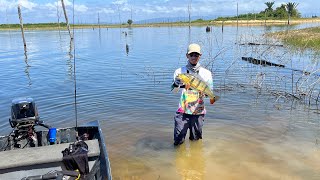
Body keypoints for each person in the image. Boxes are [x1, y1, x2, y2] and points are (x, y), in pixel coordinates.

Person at [171, 43, 214, 146]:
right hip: (182, 111)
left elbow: (210, 91)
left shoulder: (206, 73)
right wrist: (176, 83)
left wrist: (207, 95)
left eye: (196, 55)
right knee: (178, 141)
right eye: (191, 55)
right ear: (187, 56)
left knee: (196, 142)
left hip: (198, 111)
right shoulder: (179, 72)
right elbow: (173, 90)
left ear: (200, 56)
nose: (194, 57)